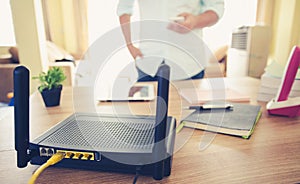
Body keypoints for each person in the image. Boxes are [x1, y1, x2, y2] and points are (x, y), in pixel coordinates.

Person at [117, 0, 224, 81]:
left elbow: (216, 7)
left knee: (189, 110)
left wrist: (195, 21)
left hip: (190, 64)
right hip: (148, 62)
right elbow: (124, 8)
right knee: (145, 110)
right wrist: (129, 45)